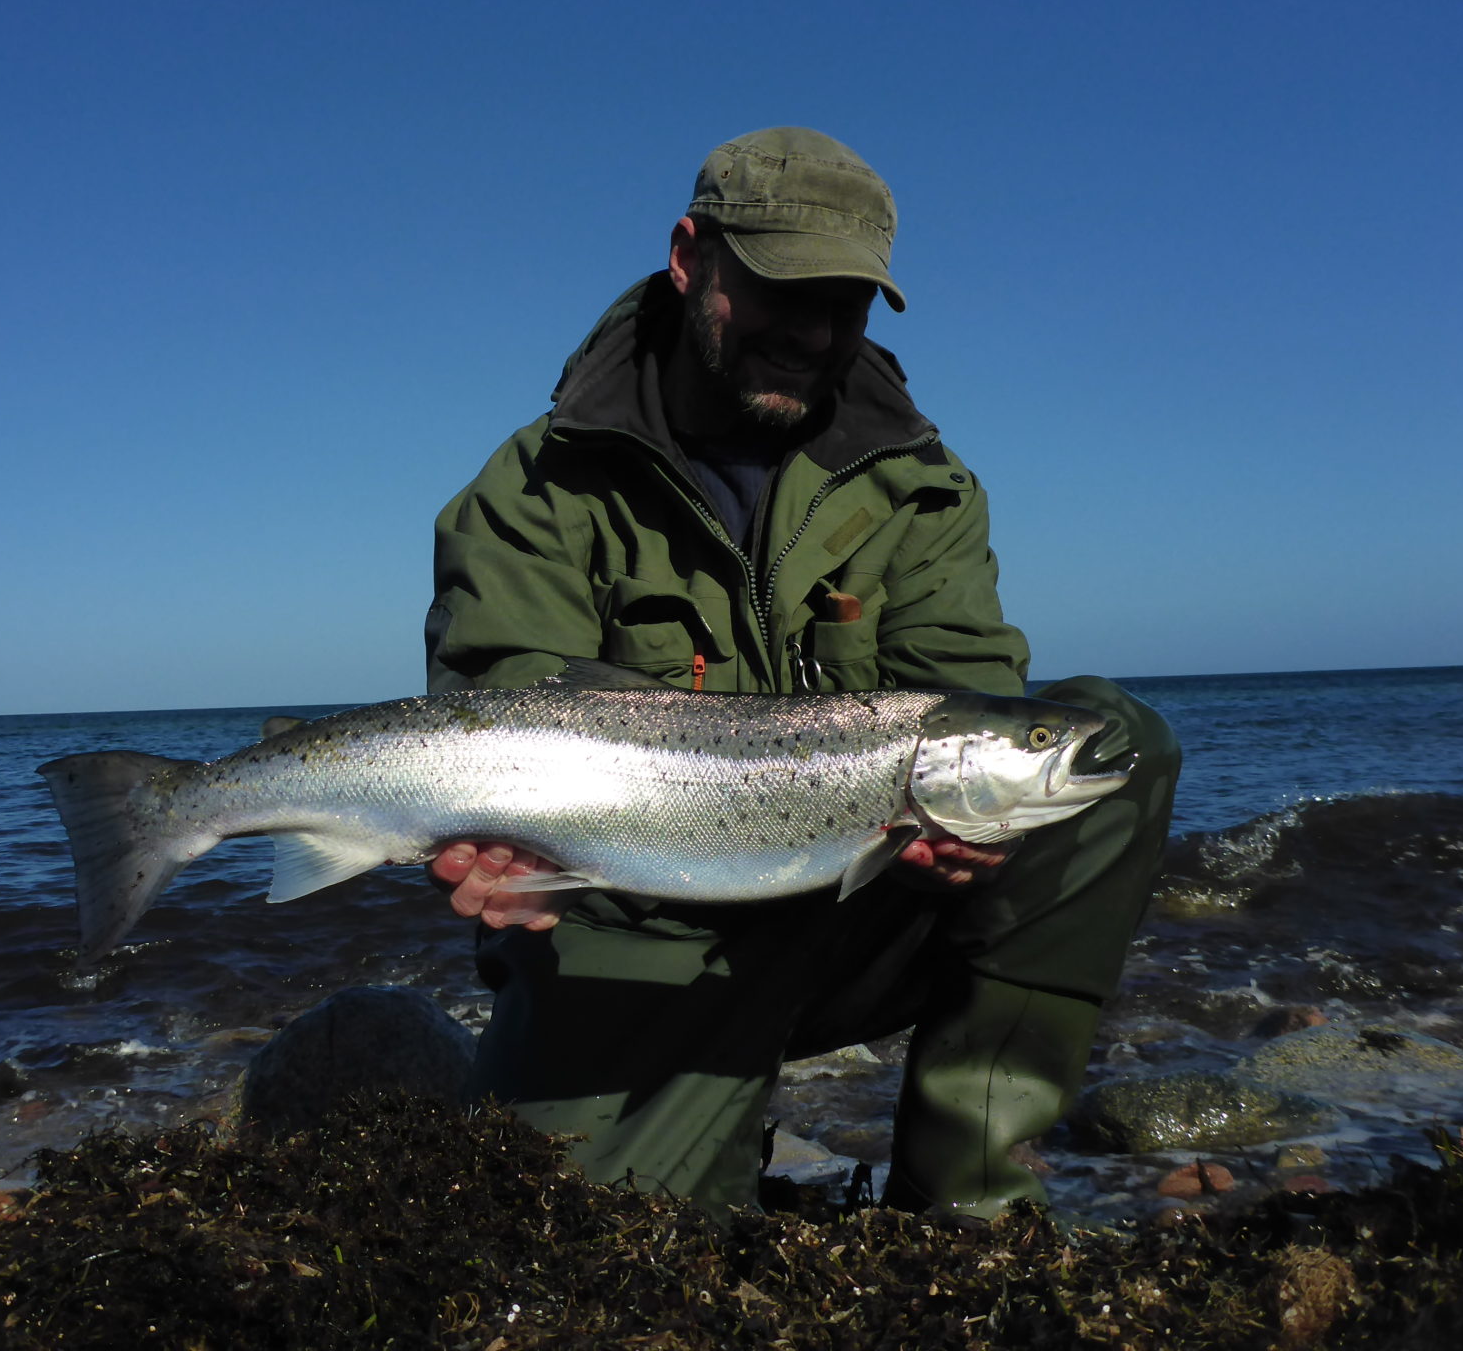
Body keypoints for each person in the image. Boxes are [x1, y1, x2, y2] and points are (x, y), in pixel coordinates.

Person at [423, 127, 1179, 1218]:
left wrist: (959, 842)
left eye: (848, 303)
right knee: (583, 1264)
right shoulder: (536, 490)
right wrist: (495, 849)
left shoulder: (921, 486)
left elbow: (959, 684)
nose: (816, 332)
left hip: (856, 905)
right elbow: (498, 708)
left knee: (1122, 748)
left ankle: (966, 1212)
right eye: (784, 291)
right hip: (638, 937)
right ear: (691, 260)